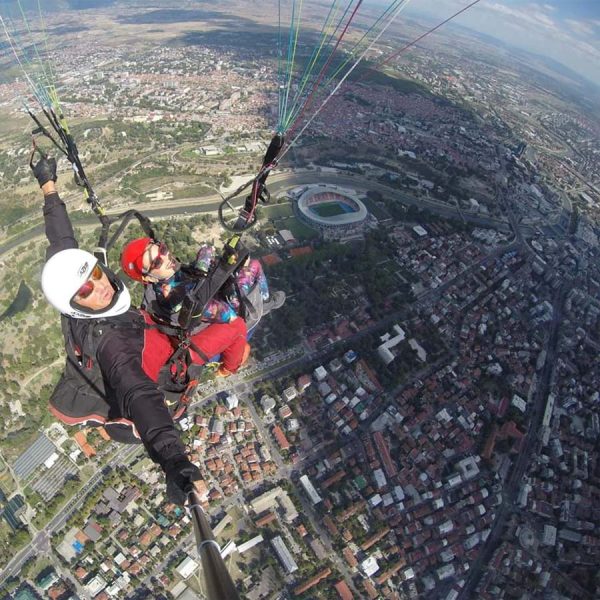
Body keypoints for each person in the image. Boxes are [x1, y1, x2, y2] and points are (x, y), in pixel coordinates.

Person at [33, 154, 246, 504]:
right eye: (85, 290)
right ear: (74, 301)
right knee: (235, 326)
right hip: (161, 374)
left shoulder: (78, 309)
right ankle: (230, 366)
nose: (98, 286)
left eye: (96, 275)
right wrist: (176, 463)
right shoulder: (111, 343)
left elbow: (62, 245)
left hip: (152, 340)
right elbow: (140, 396)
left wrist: (48, 185)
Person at [120, 237, 285, 376]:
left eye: (162, 249)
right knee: (253, 266)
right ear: (148, 278)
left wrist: (207, 262)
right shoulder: (174, 297)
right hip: (227, 316)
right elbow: (229, 316)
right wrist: (209, 268)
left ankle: (265, 299)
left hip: (207, 306)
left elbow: (195, 284)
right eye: (157, 262)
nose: (166, 257)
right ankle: (265, 301)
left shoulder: (160, 285)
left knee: (247, 262)